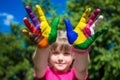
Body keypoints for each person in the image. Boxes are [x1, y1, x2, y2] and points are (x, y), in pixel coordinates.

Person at [22, 4, 108, 80]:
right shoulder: (45, 73)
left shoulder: (75, 75)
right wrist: (43, 48)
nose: (60, 58)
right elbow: (38, 67)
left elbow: (81, 70)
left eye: (66, 54)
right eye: (55, 53)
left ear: (73, 56)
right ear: (48, 55)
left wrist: (80, 51)